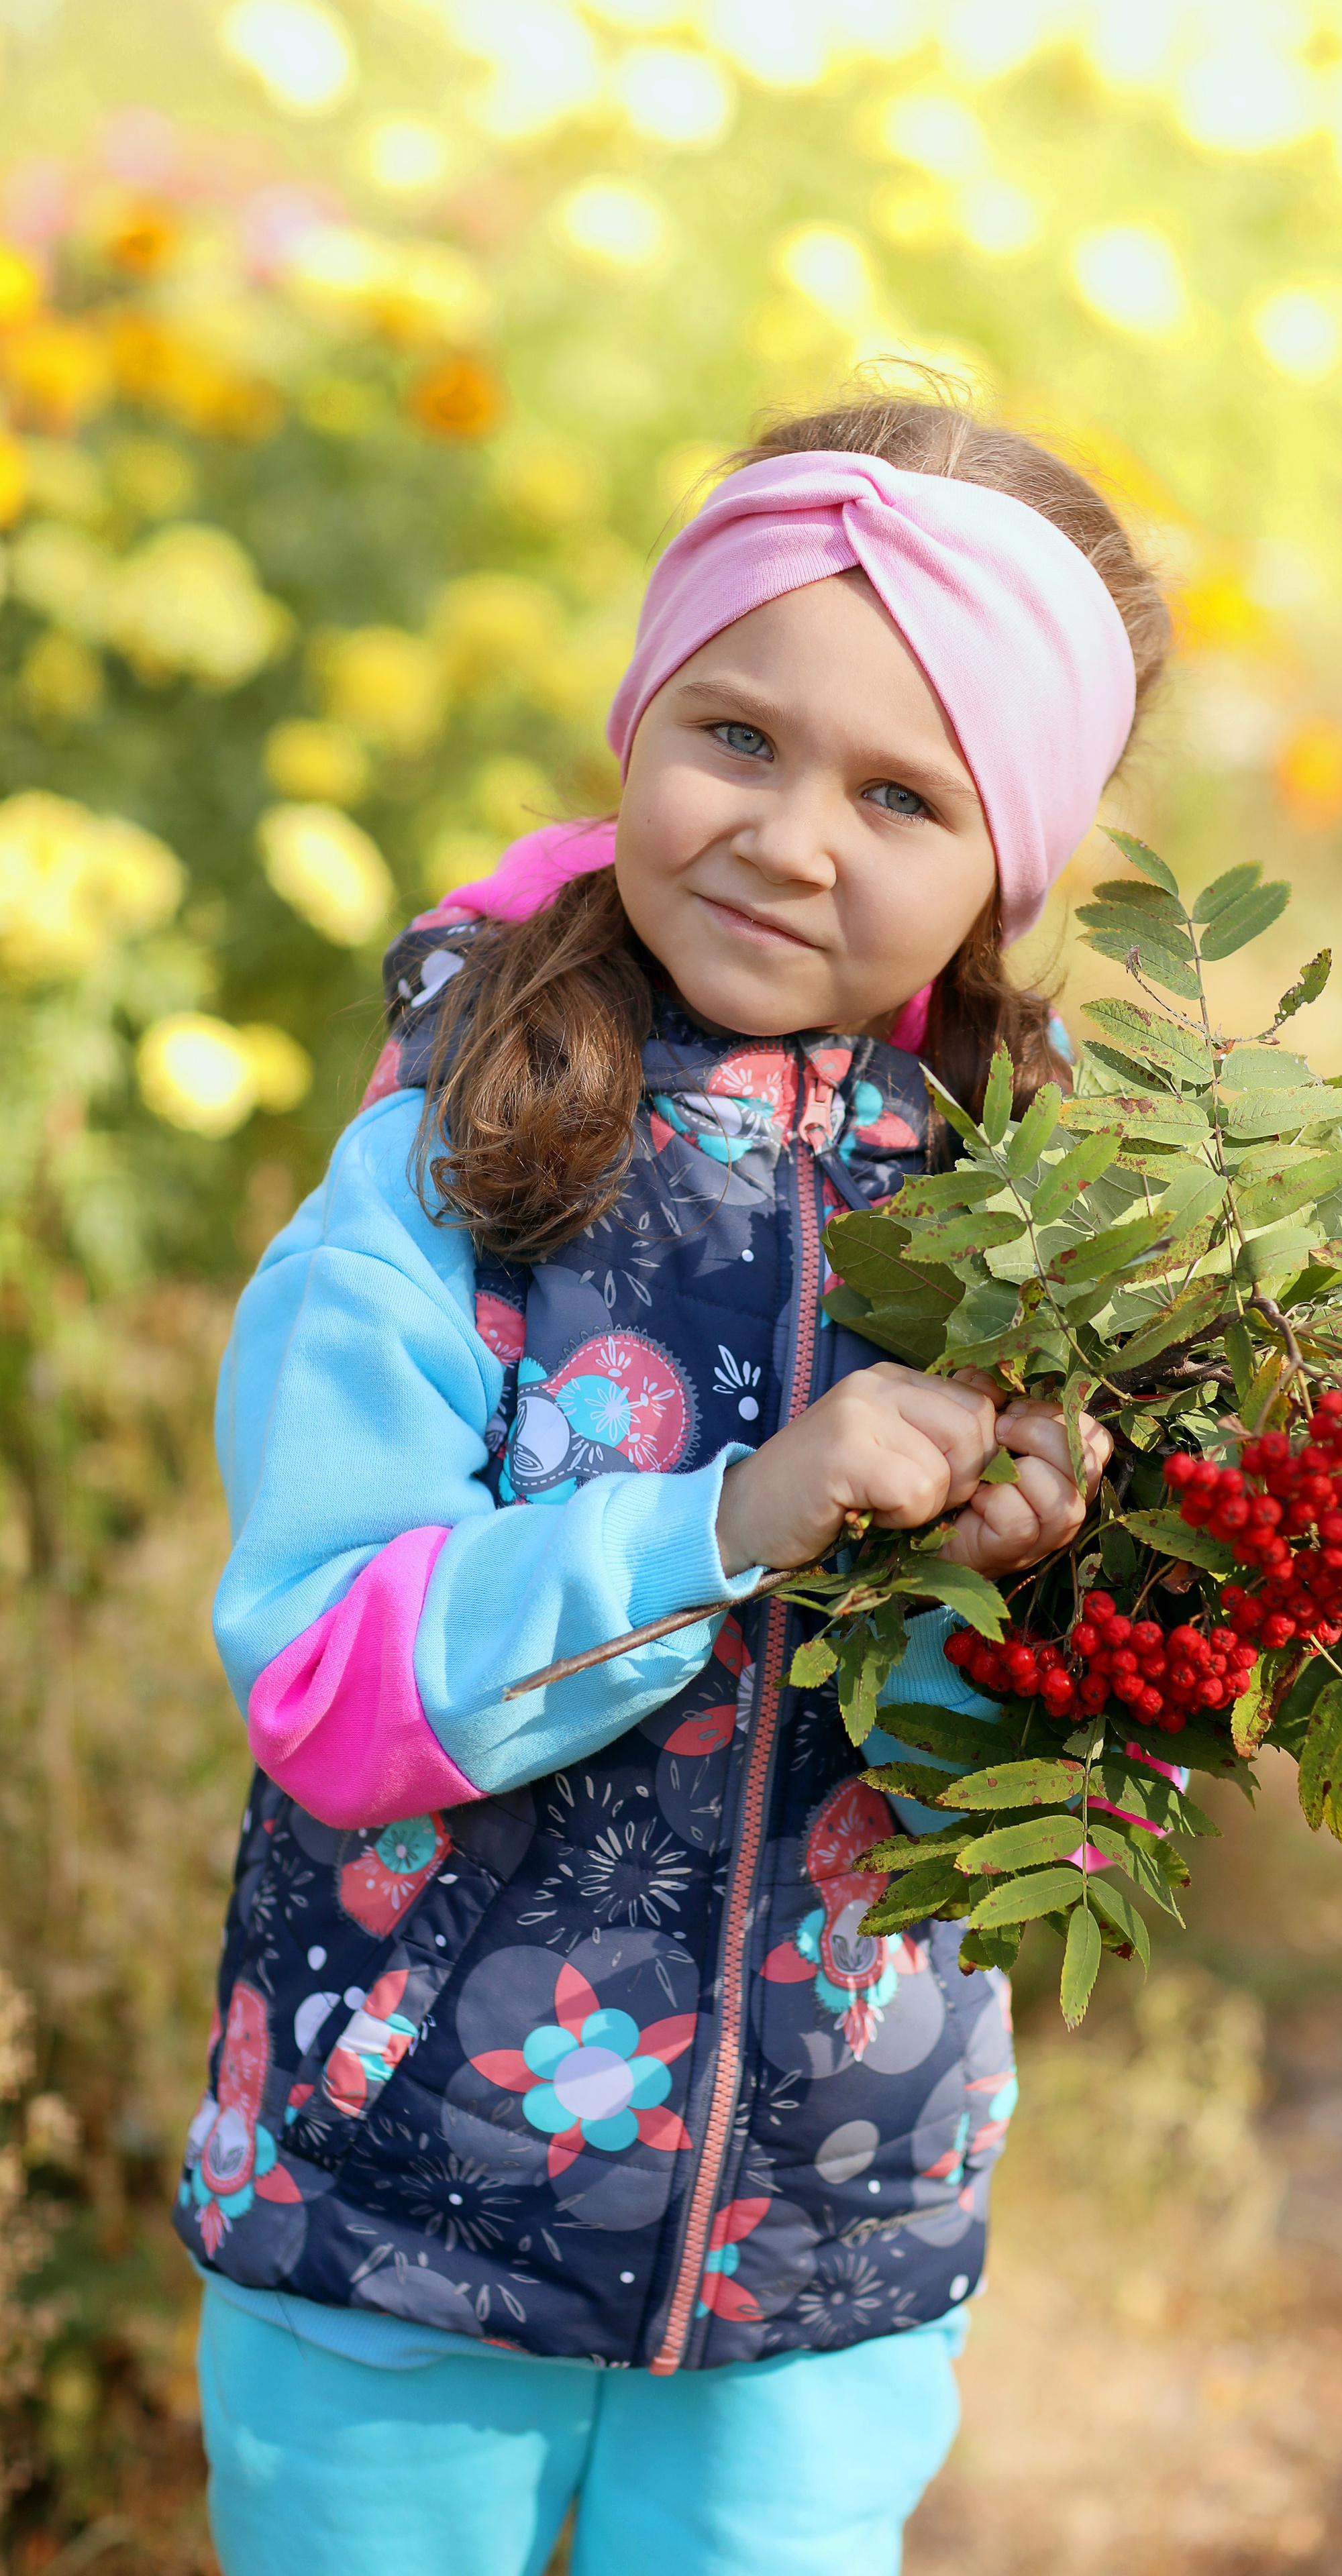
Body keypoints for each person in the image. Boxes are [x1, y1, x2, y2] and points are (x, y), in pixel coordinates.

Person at [183, 388, 1170, 2576]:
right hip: (393, 2220)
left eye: (901, 792)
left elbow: (1084, 1800)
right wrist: (731, 1518)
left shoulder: (1054, 1215)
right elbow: (330, 1685)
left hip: (826, 2237)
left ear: (1015, 855)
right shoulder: (456, 1166)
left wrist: (1060, 1605)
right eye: (736, 736)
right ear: (638, 725)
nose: (791, 836)